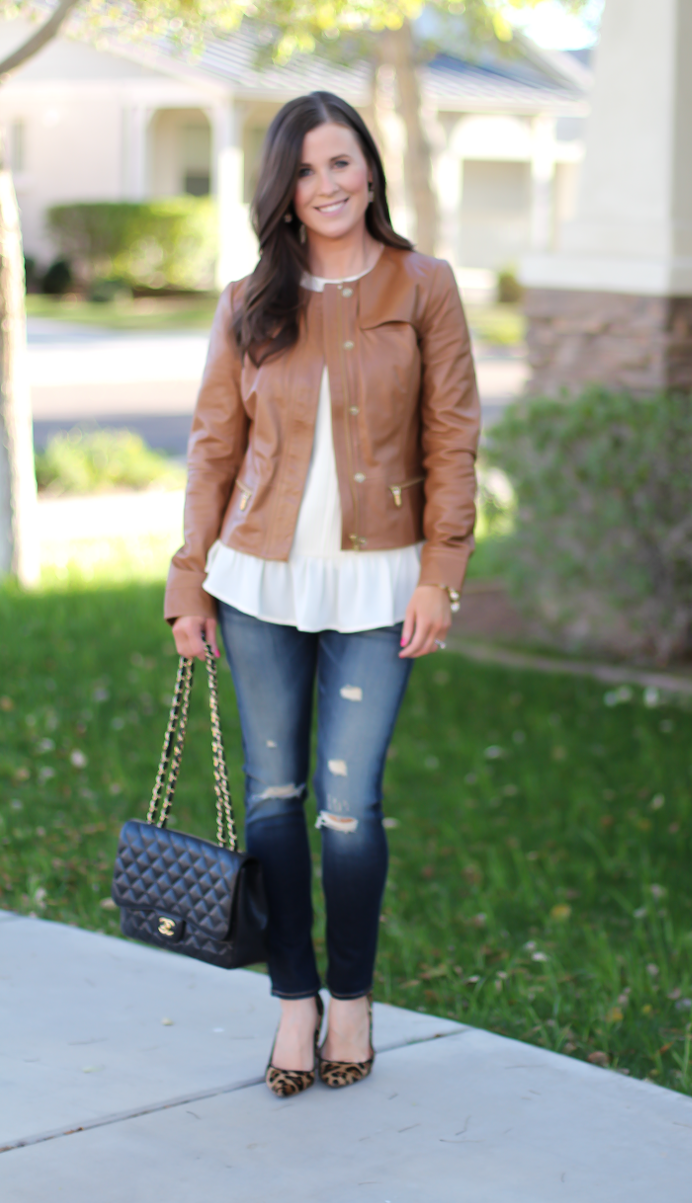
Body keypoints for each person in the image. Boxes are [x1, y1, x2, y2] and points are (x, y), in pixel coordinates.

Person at [165, 91, 480, 1097]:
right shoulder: (249, 299)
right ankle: (292, 1003)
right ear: (284, 192)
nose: (328, 185)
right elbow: (215, 442)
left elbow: (453, 435)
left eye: (341, 162)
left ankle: (353, 1000)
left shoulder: (423, 285)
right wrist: (190, 579)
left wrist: (442, 572)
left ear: (371, 172)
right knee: (275, 799)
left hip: (380, 581)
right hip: (256, 578)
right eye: (305, 170)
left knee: (349, 808)